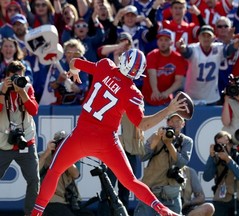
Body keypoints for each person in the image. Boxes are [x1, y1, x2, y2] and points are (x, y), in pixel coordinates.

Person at [31, 48, 188, 216]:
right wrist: (168, 110)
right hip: (106, 141)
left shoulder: (105, 66)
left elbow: (74, 62)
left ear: (123, 60)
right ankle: (162, 209)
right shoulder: (133, 93)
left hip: (82, 135)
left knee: (55, 171)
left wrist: (74, 70)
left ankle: (35, 213)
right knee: (130, 181)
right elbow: (143, 125)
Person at [0, 60, 40, 216]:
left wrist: (22, 92)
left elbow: (34, 110)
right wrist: (3, 91)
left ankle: (31, 214)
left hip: (26, 142)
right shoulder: (1, 88)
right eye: (13, 78)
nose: (17, 81)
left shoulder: (27, 88)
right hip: (3, 143)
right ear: (6, 77)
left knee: (34, 180)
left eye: (20, 77)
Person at [134, 113, 193, 215]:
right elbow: (142, 157)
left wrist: (168, 144)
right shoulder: (157, 135)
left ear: (183, 124)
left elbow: (182, 162)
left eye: (178, 121)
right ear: (168, 122)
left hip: (171, 193)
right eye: (172, 121)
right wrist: (157, 140)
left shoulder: (186, 141)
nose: (175, 124)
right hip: (152, 189)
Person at [177, 24, 239, 105]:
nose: (206, 38)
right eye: (203, 36)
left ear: (213, 38)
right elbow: (186, 52)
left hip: (211, 96)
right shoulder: (193, 48)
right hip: (192, 96)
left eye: (208, 36)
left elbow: (229, 50)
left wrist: (238, 42)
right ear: (199, 37)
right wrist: (181, 48)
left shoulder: (218, 48)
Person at [97, 113, 145, 215]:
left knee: (126, 190)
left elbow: (141, 120)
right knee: (107, 189)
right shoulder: (110, 104)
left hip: (129, 150)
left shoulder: (132, 104)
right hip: (110, 150)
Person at [39, 130, 95, 216]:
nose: (61, 146)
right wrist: (48, 151)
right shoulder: (44, 156)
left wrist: (65, 155)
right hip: (52, 201)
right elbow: (35, 170)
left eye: (64, 143)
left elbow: (75, 174)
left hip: (70, 201)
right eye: (59, 143)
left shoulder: (72, 157)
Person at [203, 131, 239, 216]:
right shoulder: (216, 159)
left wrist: (228, 160)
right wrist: (211, 156)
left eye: (224, 145)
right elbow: (206, 177)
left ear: (231, 144)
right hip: (222, 199)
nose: (222, 148)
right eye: (219, 145)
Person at [142, 29, 188, 106]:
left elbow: (179, 81)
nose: (163, 43)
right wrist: (155, 91)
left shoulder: (178, 58)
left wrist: (166, 93)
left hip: (166, 100)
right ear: (157, 42)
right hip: (148, 98)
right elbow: (152, 74)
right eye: (160, 40)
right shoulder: (152, 55)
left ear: (171, 42)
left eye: (166, 40)